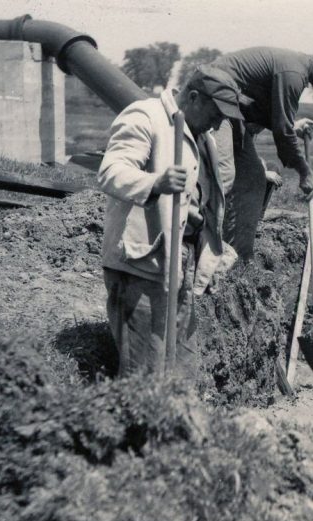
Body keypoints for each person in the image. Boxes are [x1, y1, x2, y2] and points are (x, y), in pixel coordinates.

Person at [98, 66, 242, 376]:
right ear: (193, 97)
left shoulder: (204, 137)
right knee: (144, 376)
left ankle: (174, 423)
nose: (220, 122)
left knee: (182, 372)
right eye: (217, 113)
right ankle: (138, 425)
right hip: (142, 265)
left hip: (179, 263)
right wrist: (156, 183)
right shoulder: (145, 116)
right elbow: (111, 172)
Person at [209, 43, 313, 258]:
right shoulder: (294, 73)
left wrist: (291, 125)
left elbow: (272, 116)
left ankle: (238, 257)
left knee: (253, 177)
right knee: (224, 176)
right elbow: (281, 131)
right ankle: (202, 251)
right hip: (213, 98)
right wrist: (305, 171)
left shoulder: (296, 71)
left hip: (234, 109)